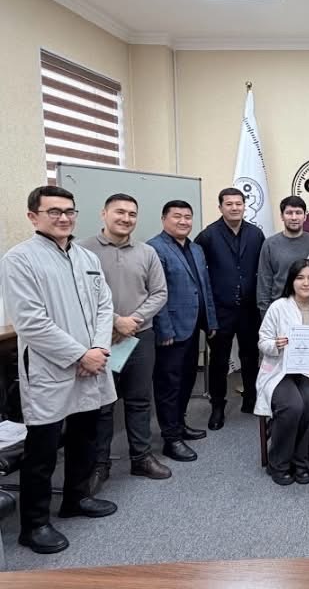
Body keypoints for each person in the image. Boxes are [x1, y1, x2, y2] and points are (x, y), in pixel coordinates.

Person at [1, 186, 118, 554]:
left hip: (92, 363)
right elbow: (31, 322)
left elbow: (104, 306)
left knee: (86, 435)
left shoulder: (86, 257)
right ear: (33, 216)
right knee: (43, 448)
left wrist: (98, 349)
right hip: (50, 368)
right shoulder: (19, 259)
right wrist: (79, 355)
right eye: (54, 211)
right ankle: (34, 524)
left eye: (69, 211)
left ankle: (76, 498)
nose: (64, 218)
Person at [78, 193, 171, 495]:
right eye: (120, 212)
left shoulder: (147, 252)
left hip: (139, 336)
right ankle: (99, 463)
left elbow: (159, 292)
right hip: (99, 339)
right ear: (104, 213)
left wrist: (133, 321)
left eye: (132, 214)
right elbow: (80, 295)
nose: (126, 218)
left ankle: (141, 458)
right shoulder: (82, 251)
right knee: (102, 404)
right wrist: (116, 321)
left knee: (139, 399)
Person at [148, 200, 218, 463]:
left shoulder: (196, 248)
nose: (183, 221)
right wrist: (163, 329)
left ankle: (180, 424)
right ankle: (171, 438)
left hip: (193, 327)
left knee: (187, 379)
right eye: (177, 216)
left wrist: (211, 321)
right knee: (169, 384)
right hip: (171, 330)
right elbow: (155, 293)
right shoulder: (155, 248)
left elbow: (204, 286)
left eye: (188, 217)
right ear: (164, 219)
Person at [255, 259, 309, 486]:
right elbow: (263, 341)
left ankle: (300, 460)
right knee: (292, 406)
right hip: (280, 371)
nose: (306, 283)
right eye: (300, 278)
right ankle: (279, 462)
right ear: (292, 281)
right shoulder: (278, 307)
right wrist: (276, 345)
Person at [195, 187, 266, 429]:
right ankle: (217, 406)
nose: (235, 207)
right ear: (220, 207)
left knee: (250, 356)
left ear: (244, 206)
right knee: (219, 360)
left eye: (239, 203)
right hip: (220, 310)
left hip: (249, 309)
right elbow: (198, 274)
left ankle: (250, 398)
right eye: (229, 204)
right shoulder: (208, 236)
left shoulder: (256, 234)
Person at [257, 196, 309, 317]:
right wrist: (265, 314)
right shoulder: (269, 244)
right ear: (282, 216)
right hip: (279, 311)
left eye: (298, 213)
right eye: (289, 213)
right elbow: (264, 283)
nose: (294, 217)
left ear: (305, 216)